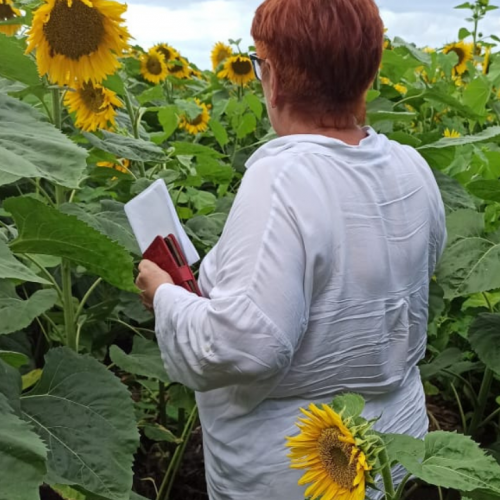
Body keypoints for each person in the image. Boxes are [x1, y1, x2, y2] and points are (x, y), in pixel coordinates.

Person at [135, 0, 447, 497]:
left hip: (304, 470)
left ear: (274, 77)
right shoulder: (412, 168)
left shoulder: (283, 178)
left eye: (259, 65)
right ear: (368, 76)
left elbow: (243, 346)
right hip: (398, 448)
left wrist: (167, 296)